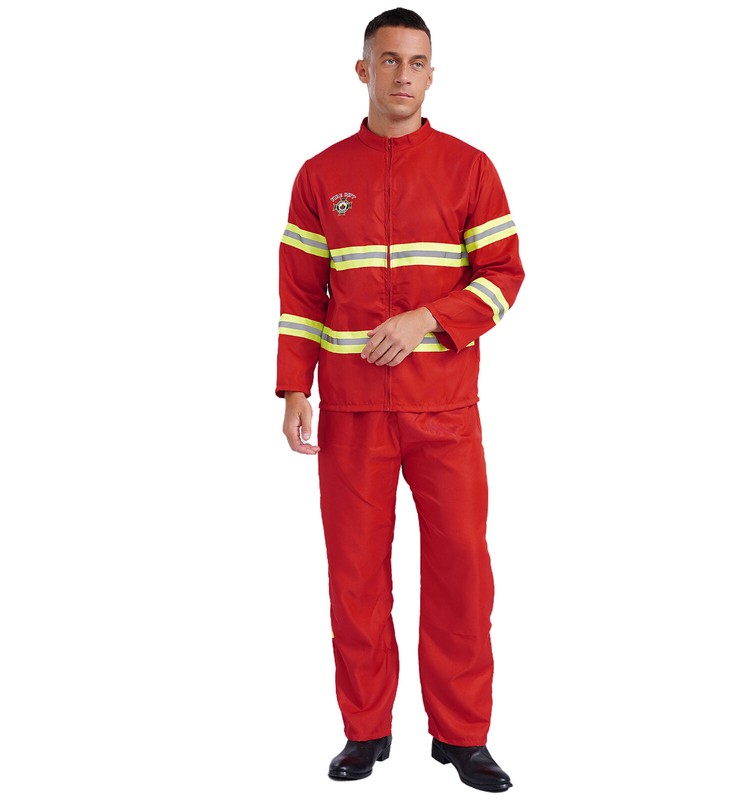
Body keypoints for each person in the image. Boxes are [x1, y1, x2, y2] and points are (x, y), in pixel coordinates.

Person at [276, 8, 524, 793]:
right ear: (364, 71)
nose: (403, 75)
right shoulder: (320, 175)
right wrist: (294, 388)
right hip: (351, 410)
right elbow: (300, 294)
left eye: (416, 62)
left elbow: (504, 275)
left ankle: (462, 736)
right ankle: (366, 731)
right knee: (355, 577)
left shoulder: (470, 169)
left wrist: (428, 319)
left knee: (461, 574)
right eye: (388, 61)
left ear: (432, 74)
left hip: (444, 408)